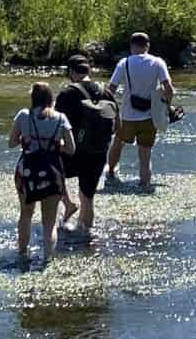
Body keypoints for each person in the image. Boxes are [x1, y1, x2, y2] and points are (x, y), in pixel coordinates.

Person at [8, 82, 75, 265]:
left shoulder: (23, 115)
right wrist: (56, 144)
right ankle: (47, 259)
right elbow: (71, 149)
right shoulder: (61, 118)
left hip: (26, 172)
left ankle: (22, 254)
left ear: (33, 99)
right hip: (53, 172)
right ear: (51, 99)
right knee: (49, 223)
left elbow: (11, 143)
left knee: (26, 215)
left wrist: (26, 139)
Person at [54, 54, 118, 238]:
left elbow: (55, 125)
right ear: (89, 70)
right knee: (88, 199)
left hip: (72, 152)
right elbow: (117, 125)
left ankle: (68, 204)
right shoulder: (106, 92)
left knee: (54, 175)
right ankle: (86, 238)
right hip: (98, 152)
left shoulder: (67, 94)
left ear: (71, 72)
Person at [107, 32, 175, 191]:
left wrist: (111, 112)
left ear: (131, 46)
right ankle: (145, 184)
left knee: (117, 144)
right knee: (145, 155)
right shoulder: (158, 62)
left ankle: (110, 172)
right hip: (149, 117)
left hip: (127, 117)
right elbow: (169, 89)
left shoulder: (124, 63)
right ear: (148, 46)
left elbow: (111, 89)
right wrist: (166, 108)